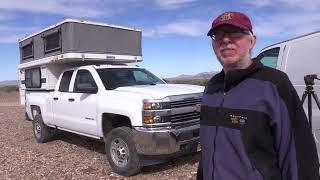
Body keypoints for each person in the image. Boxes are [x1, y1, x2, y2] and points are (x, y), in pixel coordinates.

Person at [197, 11, 319, 180]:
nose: (225, 40)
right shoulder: (211, 88)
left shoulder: (275, 84)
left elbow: (299, 157)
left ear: (252, 41)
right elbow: (207, 152)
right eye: (218, 35)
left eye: (235, 33)